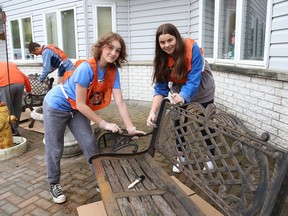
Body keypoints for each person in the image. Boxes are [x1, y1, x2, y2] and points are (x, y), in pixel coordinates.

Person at [43, 32, 145, 204]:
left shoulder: (113, 71)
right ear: (101, 47)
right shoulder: (86, 68)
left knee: (90, 143)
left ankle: (100, 179)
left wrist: (131, 127)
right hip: (56, 106)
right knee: (55, 147)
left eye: (118, 50)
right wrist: (103, 123)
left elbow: (119, 101)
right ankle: (53, 183)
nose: (113, 53)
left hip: (75, 109)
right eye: (110, 47)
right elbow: (82, 104)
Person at [146, 23, 215, 173]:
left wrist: (183, 96)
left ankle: (210, 157)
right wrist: (153, 111)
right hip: (180, 86)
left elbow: (194, 79)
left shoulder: (192, 49)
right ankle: (181, 155)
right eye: (162, 42)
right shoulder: (161, 59)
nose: (167, 45)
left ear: (176, 37)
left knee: (205, 122)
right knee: (178, 120)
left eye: (170, 40)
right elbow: (160, 88)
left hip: (201, 86)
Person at [0, 62, 31, 136]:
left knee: (7, 108)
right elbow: (24, 77)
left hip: (6, 84)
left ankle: (11, 130)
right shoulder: (10, 64)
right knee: (17, 107)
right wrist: (28, 89)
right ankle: (15, 129)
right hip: (20, 84)